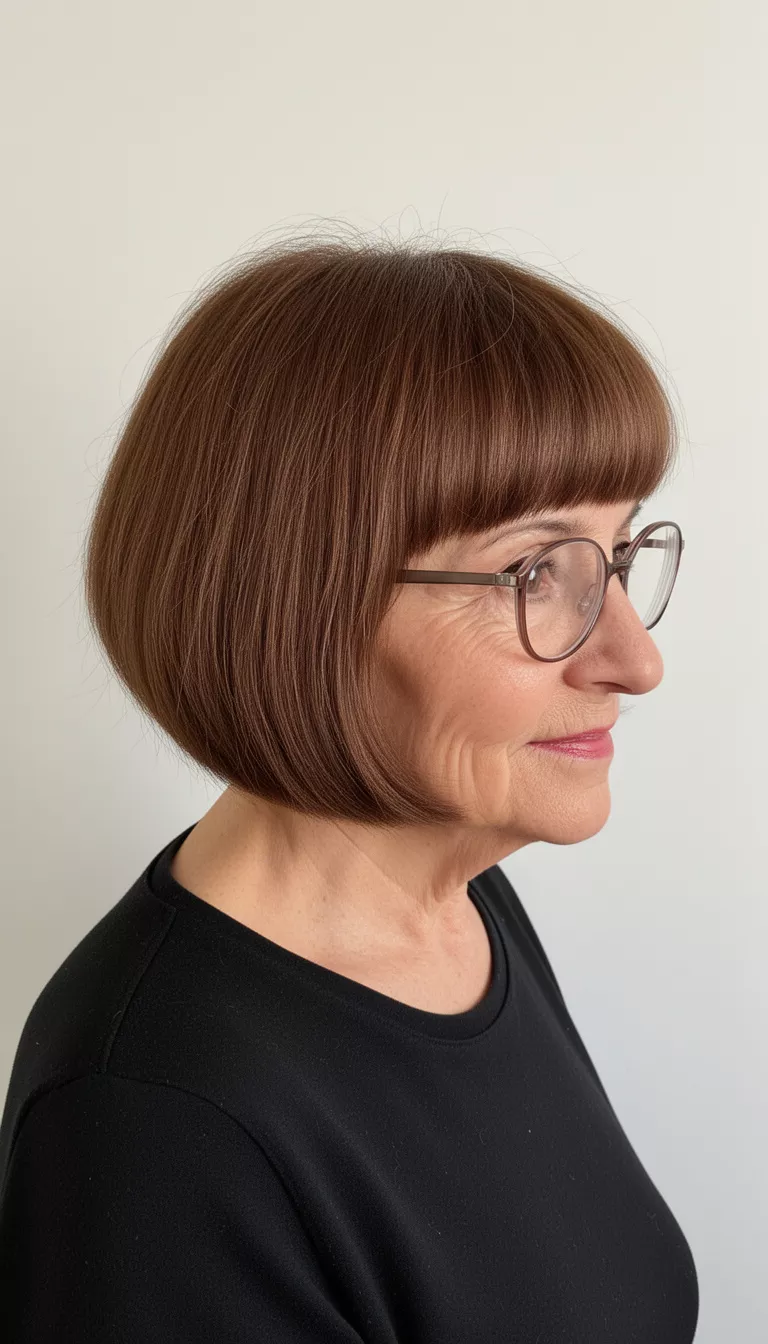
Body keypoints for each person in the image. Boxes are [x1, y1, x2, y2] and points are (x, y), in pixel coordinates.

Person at [0, 232, 699, 1342]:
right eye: (537, 572)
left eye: (615, 562)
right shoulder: (152, 1124)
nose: (634, 658)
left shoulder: (462, 906)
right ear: (295, 607)